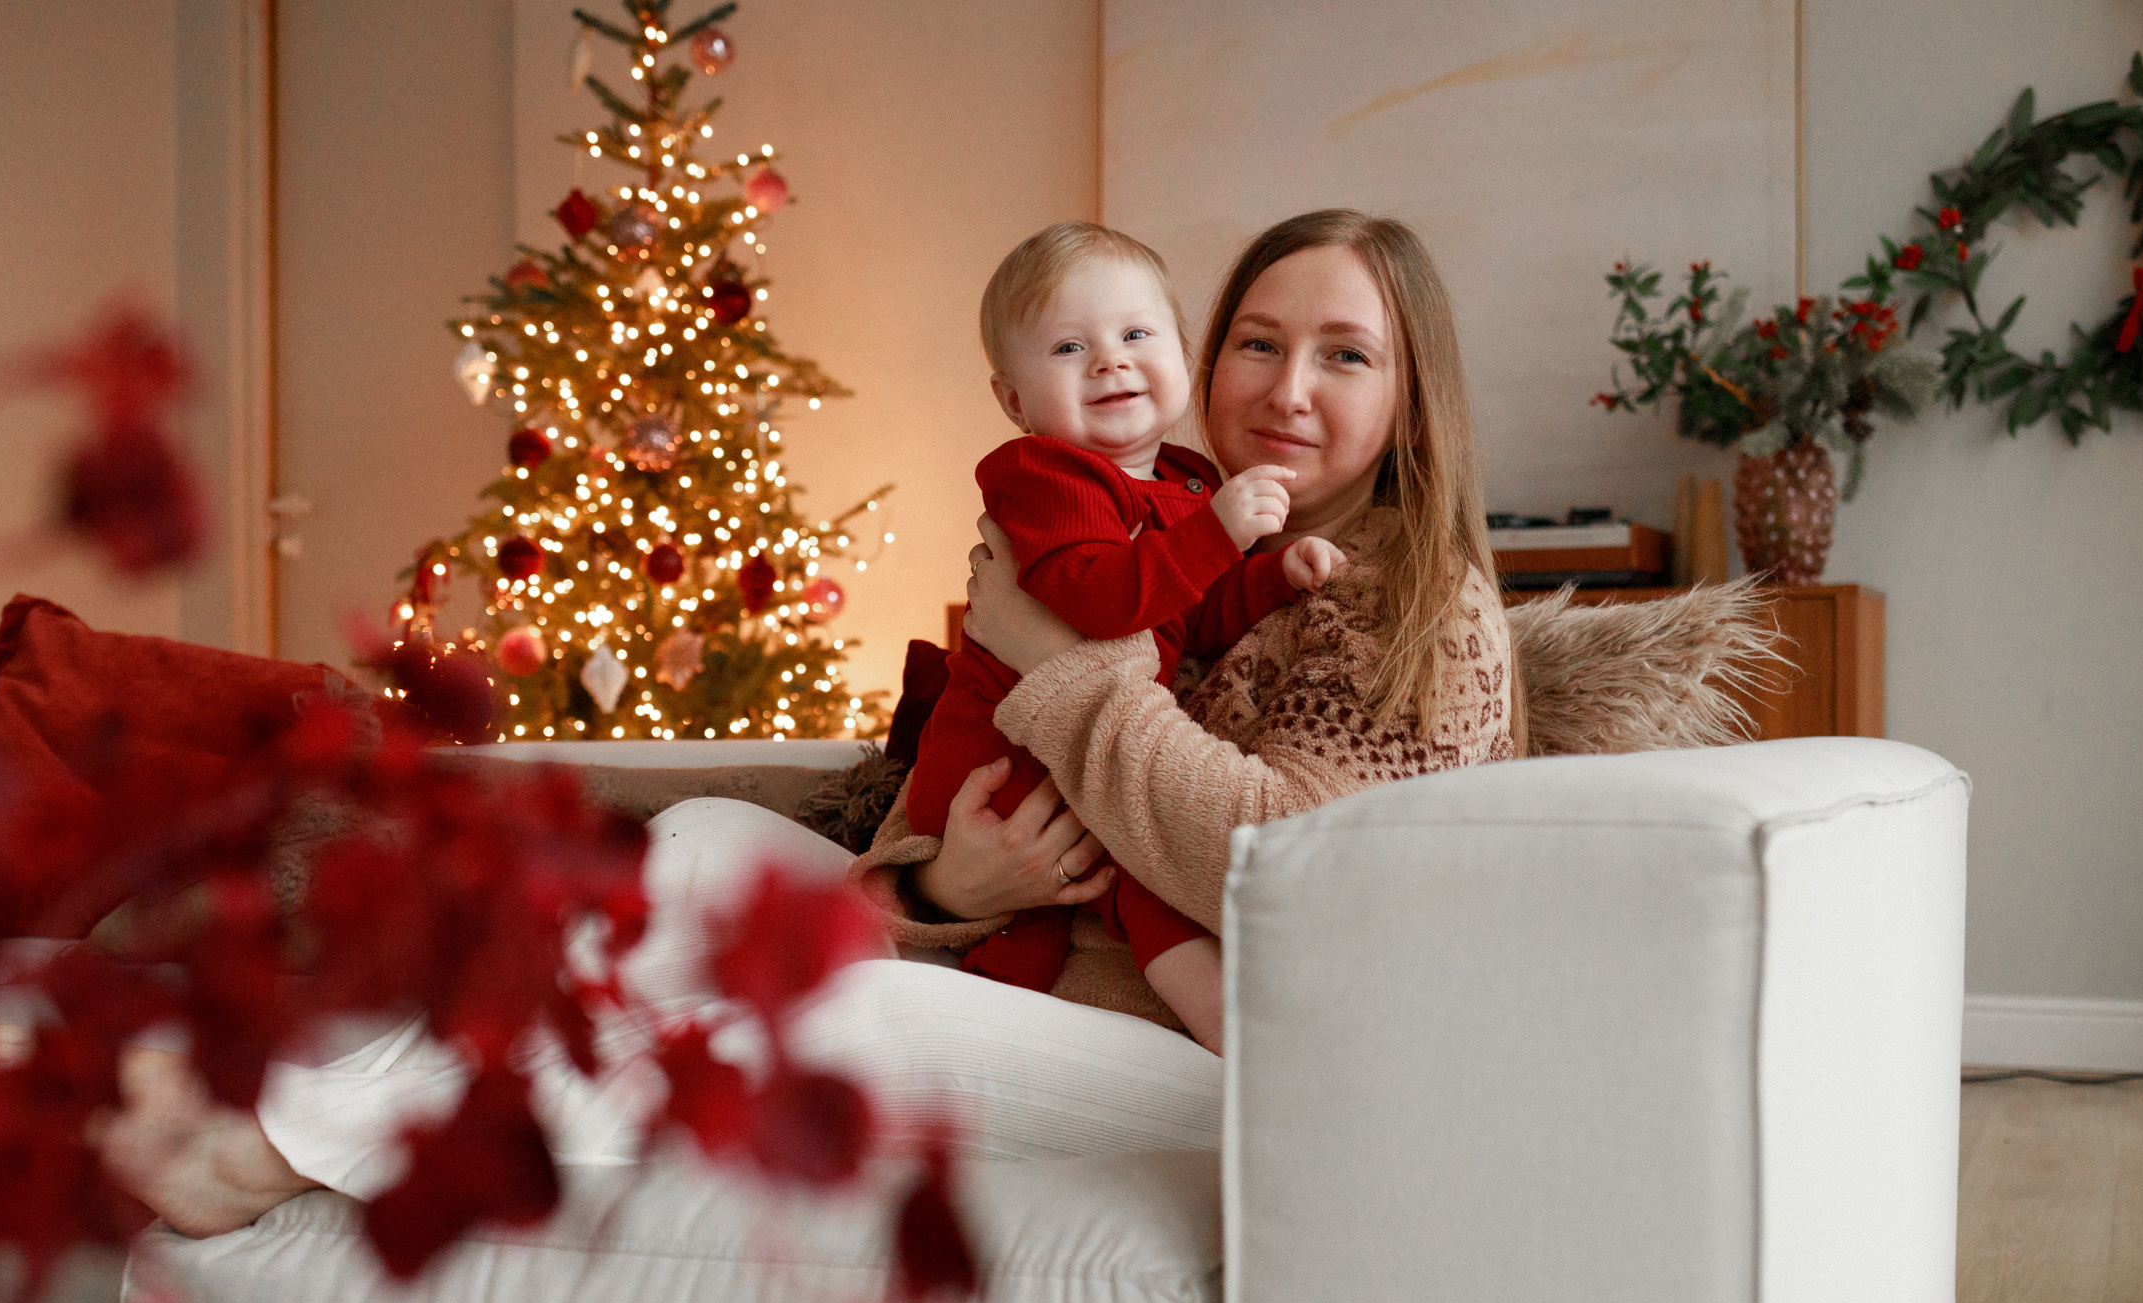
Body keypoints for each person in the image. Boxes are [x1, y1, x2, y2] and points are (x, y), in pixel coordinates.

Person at [101, 208, 1524, 1237]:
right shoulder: (1168, 523)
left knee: (830, 1006)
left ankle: (283, 1137)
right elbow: (1015, 785)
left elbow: (1306, 876)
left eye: (1345, 357)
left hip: (1246, 1064)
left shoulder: (1426, 612)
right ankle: (342, 1082)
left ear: (1411, 404)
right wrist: (948, 882)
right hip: (1067, 980)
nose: (1285, 388)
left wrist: (1057, 665)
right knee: (713, 843)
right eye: (1260, 342)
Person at [907, 220, 1338, 1047]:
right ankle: (1239, 1041)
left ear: (1180, 354)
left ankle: (1224, 1040)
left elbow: (1194, 612)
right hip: (998, 755)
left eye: (1136, 334)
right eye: (1068, 348)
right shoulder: (1042, 477)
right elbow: (1099, 602)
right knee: (1118, 886)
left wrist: (1268, 575)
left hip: (1068, 754)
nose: (1109, 360)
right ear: (1014, 402)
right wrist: (1216, 535)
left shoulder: (1189, 481)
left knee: (1125, 884)